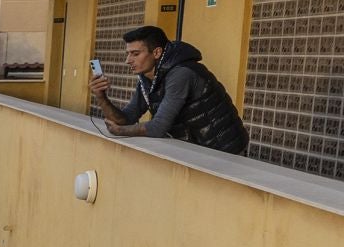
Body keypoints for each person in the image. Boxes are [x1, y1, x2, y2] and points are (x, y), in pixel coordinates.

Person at [89, 25, 248, 153]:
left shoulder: (181, 74)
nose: (127, 60)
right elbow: (127, 118)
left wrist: (121, 131)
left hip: (225, 151)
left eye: (135, 54)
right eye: (128, 54)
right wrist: (101, 97)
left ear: (157, 52)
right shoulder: (148, 78)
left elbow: (158, 127)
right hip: (198, 150)